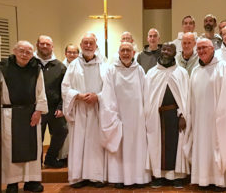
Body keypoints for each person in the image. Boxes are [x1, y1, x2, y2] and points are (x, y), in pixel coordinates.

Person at [188, 38, 226, 190]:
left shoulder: (222, 67)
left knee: (219, 145)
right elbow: (191, 97)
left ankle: (219, 180)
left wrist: (222, 117)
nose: (201, 51)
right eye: (199, 49)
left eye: (204, 48)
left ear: (212, 49)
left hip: (218, 119)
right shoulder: (196, 70)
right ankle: (204, 179)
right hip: (200, 120)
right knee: (202, 148)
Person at [99, 42, 151, 188]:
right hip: (119, 115)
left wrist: (146, 114)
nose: (126, 53)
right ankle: (119, 178)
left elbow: (145, 93)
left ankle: (138, 178)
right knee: (120, 146)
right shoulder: (111, 70)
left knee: (137, 146)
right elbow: (107, 94)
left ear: (134, 53)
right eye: (123, 50)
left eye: (129, 50)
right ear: (119, 53)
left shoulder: (139, 70)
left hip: (137, 117)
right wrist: (112, 115)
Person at [1, 41, 48, 193]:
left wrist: (39, 111)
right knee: (10, 148)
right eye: (21, 51)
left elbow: (41, 91)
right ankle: (12, 183)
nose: (24, 54)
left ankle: (32, 180)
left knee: (32, 146)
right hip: (10, 114)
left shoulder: (36, 68)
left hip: (31, 113)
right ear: (14, 51)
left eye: (28, 52)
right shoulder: (3, 67)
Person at [62, 32, 106, 188]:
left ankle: (95, 176)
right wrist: (78, 96)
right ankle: (78, 177)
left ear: (96, 46)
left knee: (95, 143)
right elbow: (65, 88)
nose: (88, 46)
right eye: (85, 43)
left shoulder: (103, 65)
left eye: (91, 43)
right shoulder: (73, 65)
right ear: (81, 46)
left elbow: (109, 89)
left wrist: (98, 97)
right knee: (79, 142)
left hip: (96, 109)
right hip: (79, 109)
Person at [145, 42, 190, 189]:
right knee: (156, 144)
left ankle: (177, 176)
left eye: (169, 50)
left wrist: (183, 115)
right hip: (157, 116)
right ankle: (158, 176)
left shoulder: (181, 72)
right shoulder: (151, 73)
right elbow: (147, 97)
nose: (165, 52)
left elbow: (186, 97)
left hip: (176, 116)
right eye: (163, 49)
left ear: (175, 52)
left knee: (177, 145)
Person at [35, 35, 68, 168]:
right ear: (37, 45)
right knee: (36, 137)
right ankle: (36, 162)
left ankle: (50, 158)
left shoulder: (60, 67)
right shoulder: (31, 64)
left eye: (47, 44)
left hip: (54, 108)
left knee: (62, 130)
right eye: (42, 44)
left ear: (52, 47)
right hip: (36, 109)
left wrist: (61, 107)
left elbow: (64, 88)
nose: (44, 46)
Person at [58, 44, 79, 164]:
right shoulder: (61, 66)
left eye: (74, 52)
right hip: (64, 103)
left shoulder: (79, 66)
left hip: (75, 103)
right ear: (65, 53)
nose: (72, 55)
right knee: (64, 132)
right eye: (70, 52)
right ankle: (63, 156)